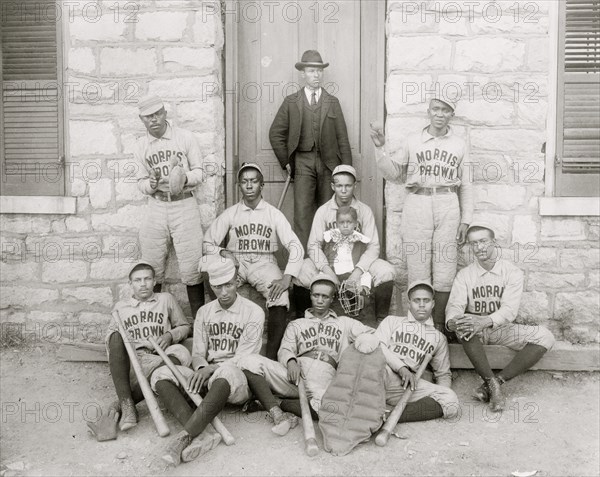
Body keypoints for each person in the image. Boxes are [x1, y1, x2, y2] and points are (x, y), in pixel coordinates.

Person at [370, 95, 473, 335]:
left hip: (448, 201)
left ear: (451, 114)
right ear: (429, 111)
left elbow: (467, 185)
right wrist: (380, 148)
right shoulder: (413, 141)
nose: (440, 114)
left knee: (446, 268)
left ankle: (439, 328)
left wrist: (466, 220)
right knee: (417, 267)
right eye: (436, 109)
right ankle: (417, 327)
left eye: (445, 110)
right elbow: (394, 173)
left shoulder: (459, 144)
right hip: (417, 202)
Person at [154, 258, 264, 466]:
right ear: (211, 285)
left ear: (237, 282)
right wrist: (203, 368)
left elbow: (243, 358)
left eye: (228, 285)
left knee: (227, 372)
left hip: (237, 381)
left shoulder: (253, 312)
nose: (223, 292)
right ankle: (203, 433)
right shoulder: (204, 313)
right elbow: (197, 353)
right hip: (207, 378)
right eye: (217, 286)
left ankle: (184, 437)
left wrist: (212, 369)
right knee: (162, 375)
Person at [237, 273, 374, 434]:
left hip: (325, 375)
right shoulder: (297, 324)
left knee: (331, 411)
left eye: (325, 296)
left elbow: (370, 335)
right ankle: (276, 412)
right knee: (249, 361)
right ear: (310, 296)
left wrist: (358, 349)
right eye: (316, 295)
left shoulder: (344, 323)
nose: (320, 300)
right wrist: (290, 361)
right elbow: (286, 349)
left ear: (332, 299)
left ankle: (276, 402)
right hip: (295, 375)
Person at [446, 223, 555, 412]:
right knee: (464, 325)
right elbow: (455, 306)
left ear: (494, 242)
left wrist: (485, 321)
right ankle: (492, 385)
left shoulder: (511, 272)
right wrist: (453, 321)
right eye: (473, 243)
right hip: (474, 332)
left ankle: (496, 382)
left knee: (546, 336)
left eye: (483, 241)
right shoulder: (465, 275)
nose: (479, 247)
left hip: (500, 328)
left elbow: (509, 310)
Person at [201, 162, 304, 359]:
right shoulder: (231, 213)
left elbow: (296, 246)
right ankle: (221, 331)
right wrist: (223, 252)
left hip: (264, 262)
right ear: (239, 185)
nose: (249, 186)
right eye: (244, 182)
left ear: (262, 185)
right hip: (236, 261)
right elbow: (207, 242)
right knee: (208, 265)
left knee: (280, 296)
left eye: (254, 181)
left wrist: (287, 277)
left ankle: (272, 357)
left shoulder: (273, 214)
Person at [87, 263, 191, 442]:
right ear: (130, 284)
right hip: (135, 360)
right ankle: (127, 405)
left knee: (182, 352)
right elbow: (111, 343)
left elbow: (185, 326)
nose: (143, 284)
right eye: (137, 280)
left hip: (162, 356)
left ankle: (122, 405)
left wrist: (170, 335)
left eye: (147, 279)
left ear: (154, 281)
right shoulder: (121, 307)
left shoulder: (165, 299)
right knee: (114, 335)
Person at [269, 50, 352, 250]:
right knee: (303, 214)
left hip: (329, 164)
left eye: (319, 71)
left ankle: (329, 264)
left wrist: (348, 171)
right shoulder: (291, 102)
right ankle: (304, 266)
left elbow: (342, 139)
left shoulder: (333, 102)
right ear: (303, 74)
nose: (316, 75)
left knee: (329, 213)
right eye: (312, 71)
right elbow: (275, 133)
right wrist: (286, 162)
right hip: (302, 163)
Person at [134, 94, 206, 319]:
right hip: (157, 205)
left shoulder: (184, 138)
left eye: (157, 114)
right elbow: (140, 182)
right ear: (142, 119)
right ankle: (152, 320)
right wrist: (150, 184)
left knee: (192, 265)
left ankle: (199, 324)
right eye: (148, 117)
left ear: (165, 113)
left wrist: (183, 178)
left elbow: (200, 172)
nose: (154, 120)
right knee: (152, 264)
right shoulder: (141, 145)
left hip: (184, 203)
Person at [294, 165, 395, 323]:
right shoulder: (324, 211)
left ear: (355, 186)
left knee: (386, 270)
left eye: (348, 185)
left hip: (357, 264)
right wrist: (327, 271)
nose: (343, 190)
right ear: (332, 186)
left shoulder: (364, 210)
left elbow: (373, 246)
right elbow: (313, 245)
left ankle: (380, 320)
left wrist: (357, 272)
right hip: (330, 263)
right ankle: (302, 320)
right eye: (339, 185)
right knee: (301, 270)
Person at [375, 280, 459, 423]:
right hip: (383, 372)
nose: (421, 305)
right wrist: (401, 368)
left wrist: (437, 396)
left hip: (406, 385)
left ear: (433, 304)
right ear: (409, 303)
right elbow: (377, 346)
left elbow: (443, 375)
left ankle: (388, 417)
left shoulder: (438, 338)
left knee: (450, 399)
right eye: (416, 300)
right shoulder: (392, 321)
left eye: (426, 300)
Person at [323, 205, 372, 292]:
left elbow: (361, 257)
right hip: (334, 270)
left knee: (366, 276)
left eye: (349, 222)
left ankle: (361, 294)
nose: (345, 225)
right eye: (342, 222)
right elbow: (327, 253)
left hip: (352, 272)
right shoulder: (332, 237)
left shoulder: (358, 239)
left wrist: (356, 273)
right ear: (337, 223)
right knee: (322, 278)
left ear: (355, 223)